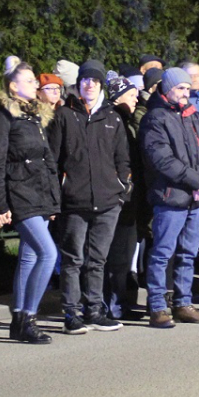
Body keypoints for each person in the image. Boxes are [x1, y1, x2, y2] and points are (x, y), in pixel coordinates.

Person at [51, 60, 129, 333]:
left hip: (108, 201)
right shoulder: (64, 115)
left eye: (94, 81)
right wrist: (57, 194)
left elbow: (123, 159)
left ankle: (94, 310)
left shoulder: (112, 117)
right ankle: (72, 313)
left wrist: (122, 189)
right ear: (78, 84)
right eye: (85, 80)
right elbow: (54, 159)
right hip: (75, 201)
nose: (89, 85)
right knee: (73, 260)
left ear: (101, 86)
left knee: (97, 260)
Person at [0, 64, 62, 343]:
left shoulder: (35, 117)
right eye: (28, 81)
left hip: (39, 194)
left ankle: (18, 321)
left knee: (30, 256)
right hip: (19, 194)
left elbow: (48, 160)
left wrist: (53, 201)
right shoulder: (3, 115)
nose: (34, 85)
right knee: (48, 254)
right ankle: (29, 316)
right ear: (13, 87)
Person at [138, 67, 199, 328]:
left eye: (187, 88)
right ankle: (158, 306)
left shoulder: (194, 115)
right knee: (162, 253)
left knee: (188, 253)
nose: (186, 93)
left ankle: (184, 303)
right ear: (167, 89)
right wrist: (197, 181)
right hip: (170, 197)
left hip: (196, 198)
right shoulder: (154, 119)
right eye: (180, 88)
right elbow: (161, 159)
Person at [102, 75, 147, 319]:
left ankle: (121, 302)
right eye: (131, 95)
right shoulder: (112, 121)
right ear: (118, 97)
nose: (136, 98)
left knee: (124, 255)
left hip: (131, 198)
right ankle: (112, 305)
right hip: (118, 198)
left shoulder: (128, 120)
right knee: (116, 256)